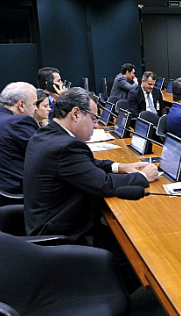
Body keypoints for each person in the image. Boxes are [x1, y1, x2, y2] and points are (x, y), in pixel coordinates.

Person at [24, 87, 159, 293]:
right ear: (76, 114)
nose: (96, 125)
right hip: (65, 233)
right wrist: (142, 177)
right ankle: (95, 295)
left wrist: (120, 167)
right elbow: (103, 184)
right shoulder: (66, 147)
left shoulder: (48, 133)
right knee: (140, 256)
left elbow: (87, 165)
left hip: (48, 219)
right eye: (94, 119)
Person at [0, 82, 38, 194]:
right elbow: (47, 153)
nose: (36, 108)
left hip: (2, 194)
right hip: (22, 195)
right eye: (34, 104)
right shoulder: (18, 123)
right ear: (21, 105)